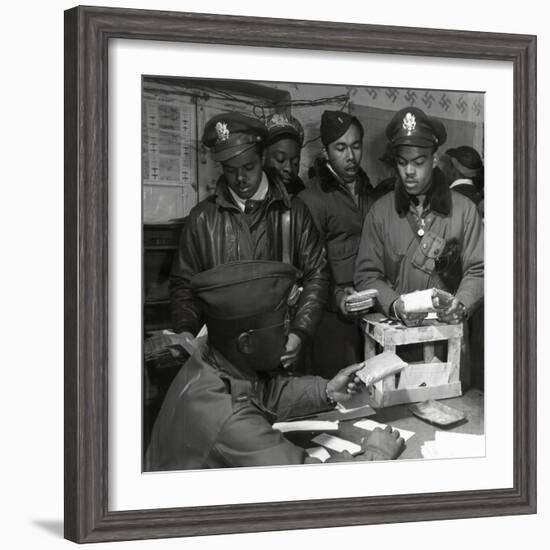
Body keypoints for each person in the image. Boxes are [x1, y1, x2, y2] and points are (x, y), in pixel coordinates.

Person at [146, 260, 404, 470]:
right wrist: (374, 454)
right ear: (246, 342)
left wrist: (327, 390)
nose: (289, 332)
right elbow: (315, 489)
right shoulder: (231, 421)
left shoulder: (210, 354)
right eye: (282, 325)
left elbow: (260, 394)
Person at [169, 112, 329, 370]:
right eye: (230, 170)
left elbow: (317, 276)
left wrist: (300, 333)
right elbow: (183, 285)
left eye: (248, 167)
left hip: (282, 356)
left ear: (262, 157)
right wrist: (186, 331)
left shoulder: (294, 212)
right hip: (222, 362)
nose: (240, 179)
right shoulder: (202, 219)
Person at [354, 106, 484, 335]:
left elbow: (479, 270)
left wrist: (462, 304)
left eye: (418, 162)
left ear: (434, 159)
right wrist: (393, 304)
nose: (409, 171)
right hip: (397, 340)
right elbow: (367, 275)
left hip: (448, 336)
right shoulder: (380, 212)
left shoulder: (465, 211)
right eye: (402, 163)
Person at [299, 111, 393, 377]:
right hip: (333, 320)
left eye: (355, 146)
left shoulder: (371, 193)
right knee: (340, 395)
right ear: (326, 152)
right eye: (340, 148)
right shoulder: (311, 200)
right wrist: (337, 297)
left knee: (376, 392)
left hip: (373, 314)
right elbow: (309, 270)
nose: (350, 156)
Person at [263, 112, 306, 196]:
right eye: (280, 159)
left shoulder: (304, 200)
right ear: (262, 156)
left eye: (295, 163)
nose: (289, 169)